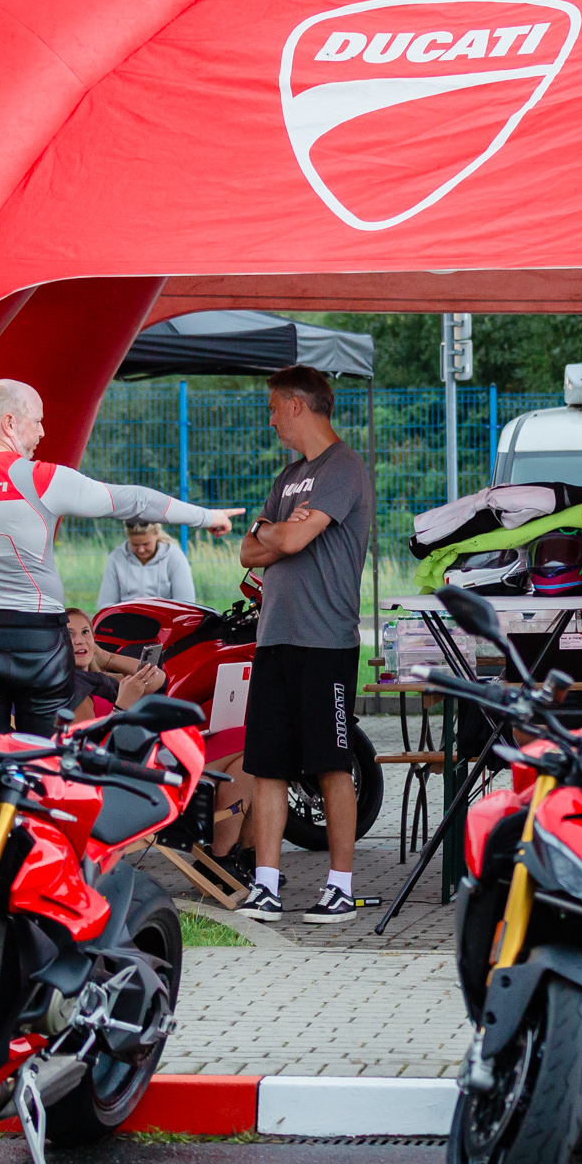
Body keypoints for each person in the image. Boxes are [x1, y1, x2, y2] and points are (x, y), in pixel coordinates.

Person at [0, 378, 240, 737]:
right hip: (38, 644)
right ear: (9, 423)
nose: (42, 432)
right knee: (46, 756)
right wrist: (206, 517)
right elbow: (134, 501)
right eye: (37, 421)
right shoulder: (40, 478)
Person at [233, 365, 375, 924]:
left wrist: (274, 532)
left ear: (297, 405)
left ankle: (339, 887)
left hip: (325, 643)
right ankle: (265, 885)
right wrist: (274, 533)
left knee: (330, 765)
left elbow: (287, 539)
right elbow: (248, 552)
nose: (270, 421)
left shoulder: (343, 467)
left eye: (273, 409)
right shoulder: (288, 476)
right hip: (274, 637)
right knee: (267, 766)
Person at [64, 607, 166, 724]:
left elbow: (157, 677)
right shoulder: (72, 690)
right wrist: (121, 706)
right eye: (69, 634)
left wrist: (106, 657)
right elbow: (86, 735)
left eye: (85, 632)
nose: (80, 640)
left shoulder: (99, 679)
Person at [98, 519, 197, 608]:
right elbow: (105, 604)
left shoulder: (174, 557)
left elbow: (186, 604)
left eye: (146, 544)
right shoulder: (116, 558)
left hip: (165, 619)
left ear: (157, 533)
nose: (141, 550)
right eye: (135, 544)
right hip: (126, 618)